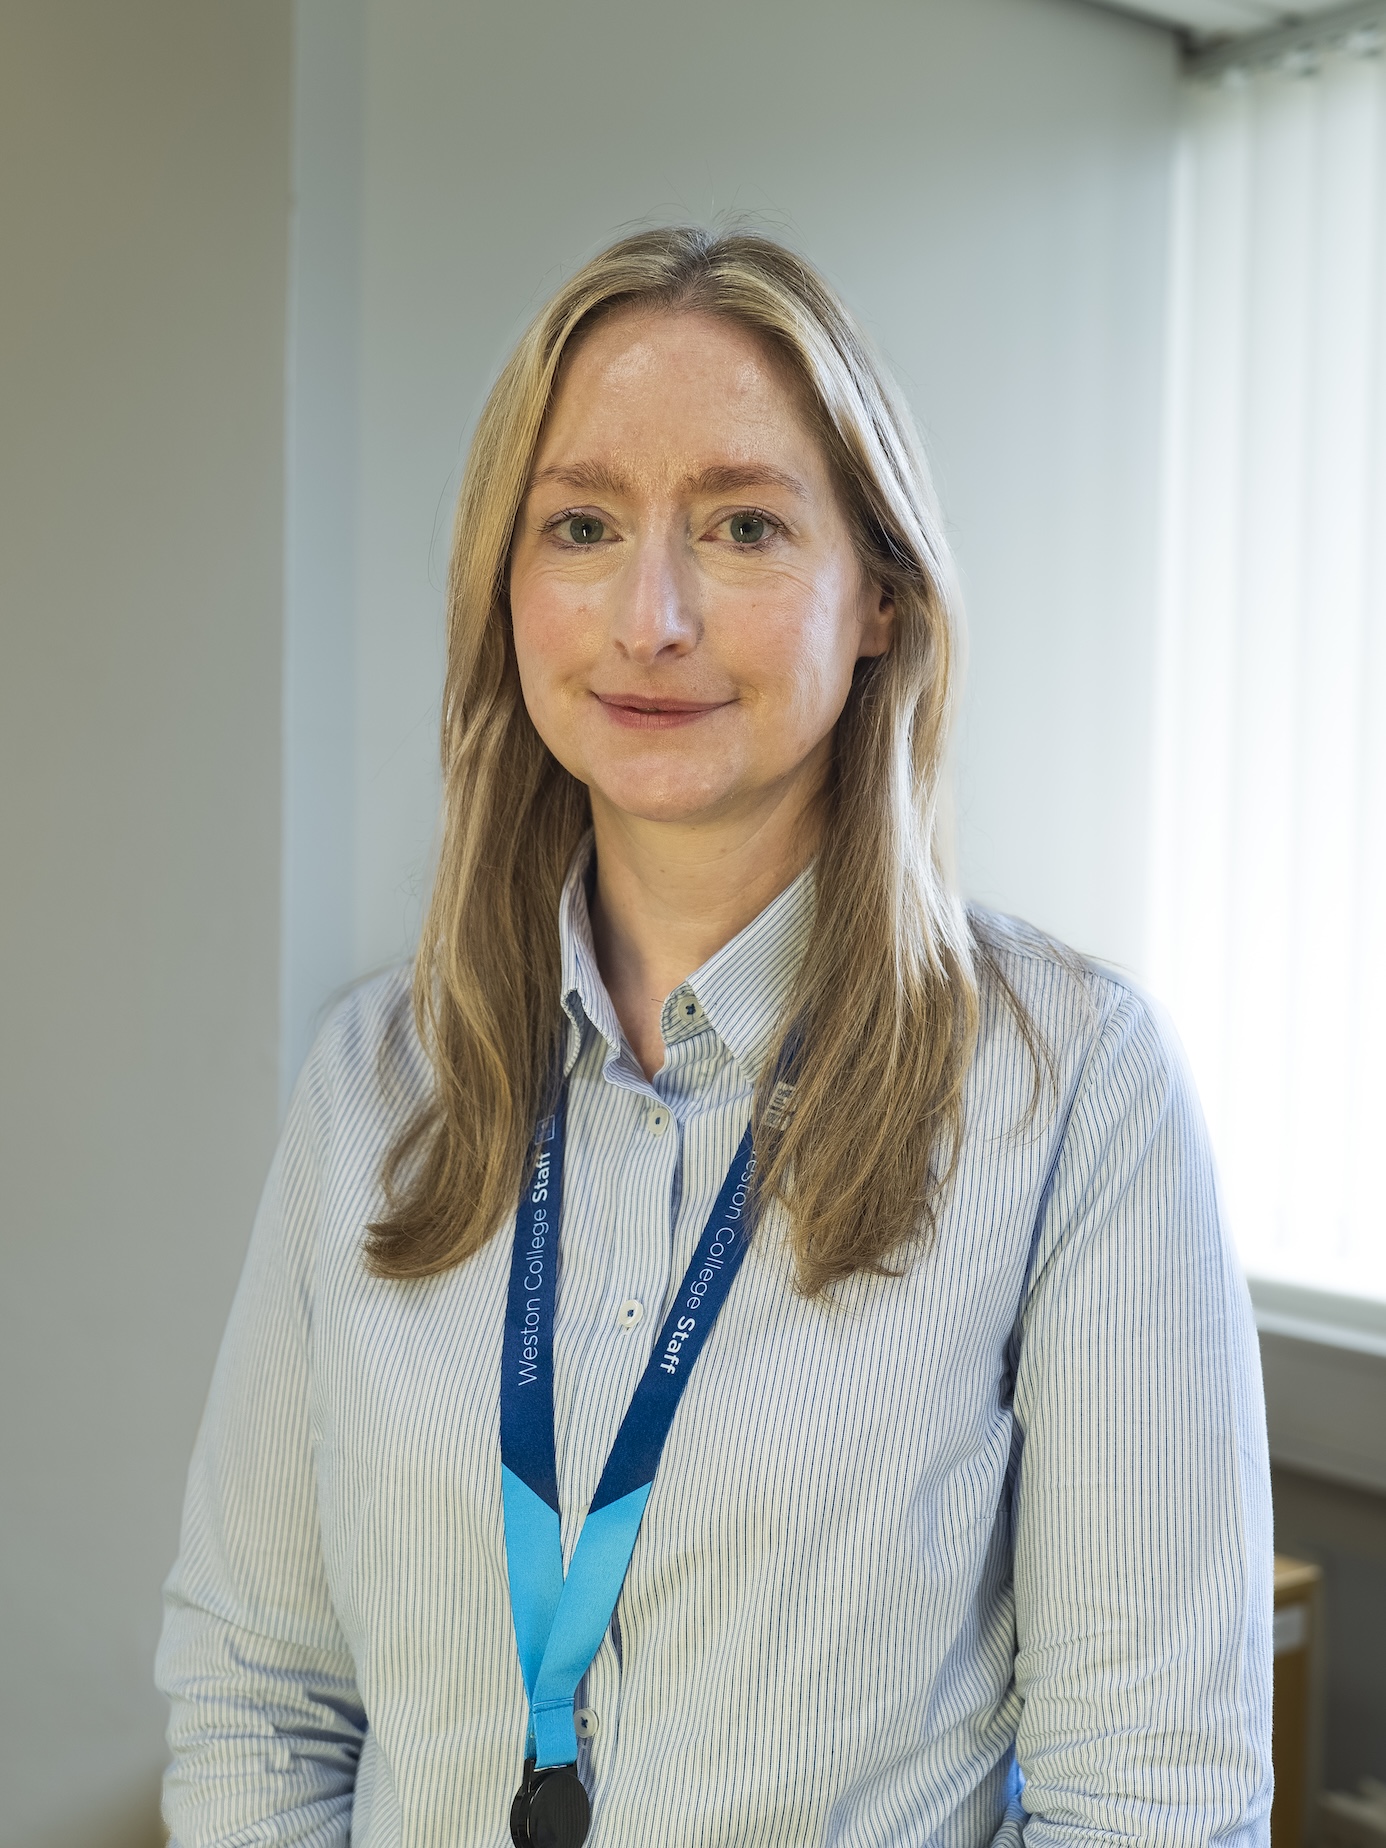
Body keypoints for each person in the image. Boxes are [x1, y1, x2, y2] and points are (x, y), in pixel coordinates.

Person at [156, 227, 1273, 1847]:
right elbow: (257, 1691)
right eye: (581, 527)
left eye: (743, 526)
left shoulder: (1070, 1090)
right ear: (506, 589)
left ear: (878, 593)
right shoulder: (368, 1081)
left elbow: (1149, 1797)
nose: (649, 615)